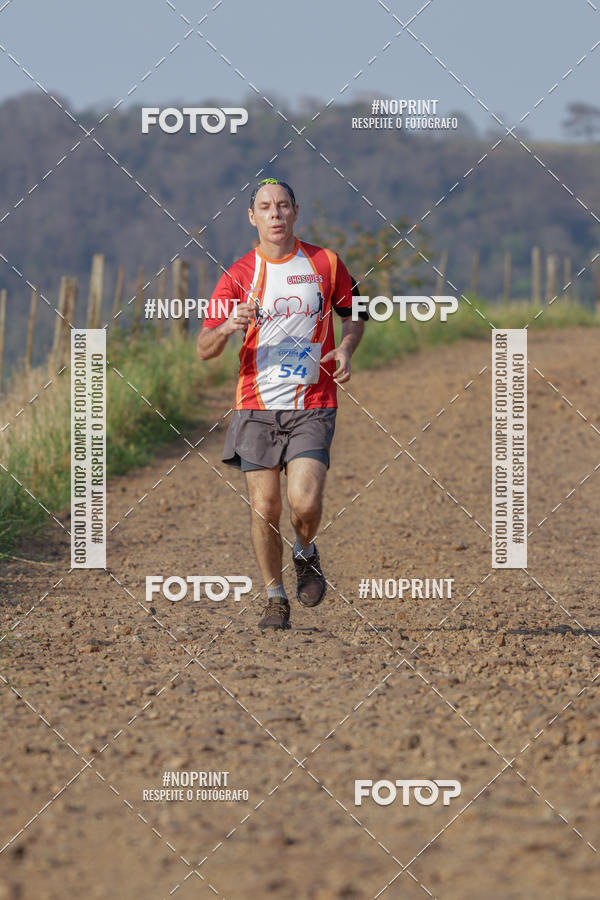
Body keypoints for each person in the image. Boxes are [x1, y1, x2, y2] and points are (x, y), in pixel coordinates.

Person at [197, 177, 366, 630]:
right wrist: (228, 326)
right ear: (252, 217)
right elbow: (203, 347)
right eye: (265, 207)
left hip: (313, 401)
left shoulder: (325, 263)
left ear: (295, 212)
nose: (275, 214)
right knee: (265, 508)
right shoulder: (237, 275)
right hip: (255, 405)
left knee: (304, 503)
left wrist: (346, 348)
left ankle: (306, 553)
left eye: (283, 205)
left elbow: (356, 313)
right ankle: (275, 597)